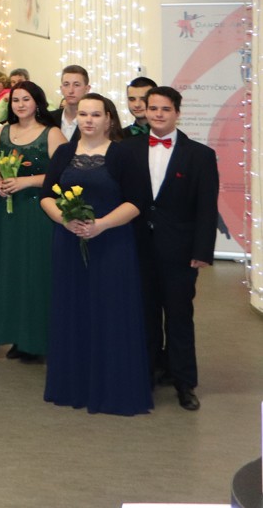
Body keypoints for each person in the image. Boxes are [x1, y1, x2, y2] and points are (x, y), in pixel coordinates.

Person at [107, 86, 218, 412]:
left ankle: (185, 382)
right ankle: (147, 373)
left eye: (165, 109)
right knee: (145, 314)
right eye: (153, 108)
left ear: (177, 113)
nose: (158, 114)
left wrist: (202, 251)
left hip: (180, 250)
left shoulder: (200, 155)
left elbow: (206, 208)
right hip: (136, 245)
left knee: (180, 316)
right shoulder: (126, 149)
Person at [41, 94, 152, 416]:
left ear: (108, 120)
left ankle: (112, 388)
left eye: (95, 115)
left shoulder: (123, 155)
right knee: (73, 310)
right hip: (69, 243)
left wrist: (101, 225)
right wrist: (64, 219)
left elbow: (137, 202)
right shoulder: (64, 153)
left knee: (110, 312)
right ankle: (73, 385)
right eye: (83, 114)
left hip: (112, 243)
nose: (88, 120)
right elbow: (47, 196)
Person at [0, 81, 65, 363]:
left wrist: (26, 182)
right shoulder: (2, 132)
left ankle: (40, 339)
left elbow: (62, 174)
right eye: (15, 100)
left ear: (37, 102)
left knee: (37, 272)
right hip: (8, 212)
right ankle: (18, 336)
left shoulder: (52, 133)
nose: (20, 105)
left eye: (26, 99)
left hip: (39, 212)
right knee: (13, 272)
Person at [49, 65, 90, 139]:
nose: (71, 90)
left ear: (87, 89)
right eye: (66, 84)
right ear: (61, 89)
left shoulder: (91, 121)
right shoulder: (48, 118)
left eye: (76, 85)